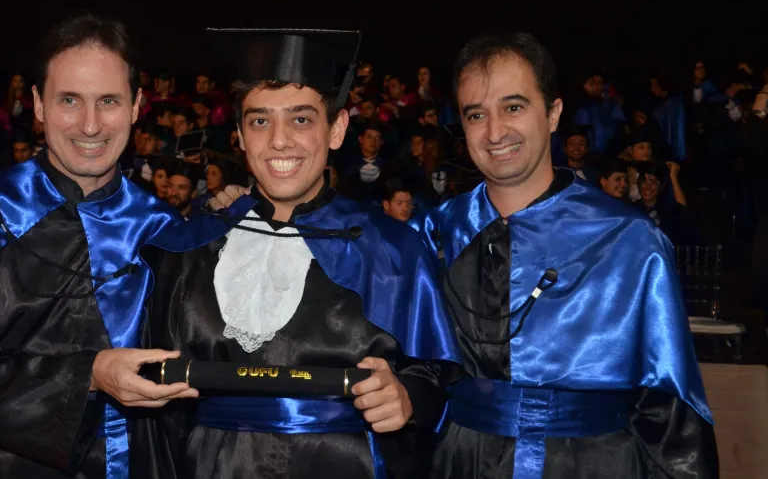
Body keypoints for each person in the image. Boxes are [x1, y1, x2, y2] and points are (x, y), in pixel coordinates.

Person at [0, 14, 198, 479]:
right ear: (38, 105)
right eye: (70, 100)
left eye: (108, 101)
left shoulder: (165, 230)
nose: (90, 125)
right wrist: (89, 375)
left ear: (136, 107)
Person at [133, 28, 462, 479]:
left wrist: (408, 398)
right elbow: (158, 414)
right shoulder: (188, 249)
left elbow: (434, 374)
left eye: (301, 120)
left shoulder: (393, 249)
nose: (279, 140)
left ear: (336, 129)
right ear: (240, 134)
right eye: (259, 121)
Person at [417, 32, 717, 478]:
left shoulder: (628, 239)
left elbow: (671, 406)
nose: (495, 132)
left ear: (553, 113)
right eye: (476, 114)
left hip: (594, 463)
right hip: (461, 460)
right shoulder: (436, 232)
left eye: (513, 108)